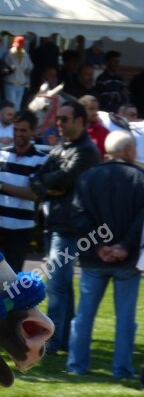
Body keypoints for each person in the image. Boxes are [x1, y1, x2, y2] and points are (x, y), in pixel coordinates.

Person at [67, 131, 144, 378]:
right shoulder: (140, 178)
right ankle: (121, 369)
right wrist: (124, 246)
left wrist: (100, 245)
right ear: (130, 150)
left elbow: (78, 215)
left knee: (83, 316)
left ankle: (76, 365)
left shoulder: (88, 177)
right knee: (125, 319)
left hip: (93, 257)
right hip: (128, 259)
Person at [29, 100, 100, 354]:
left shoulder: (87, 152)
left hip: (70, 227)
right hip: (56, 223)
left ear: (80, 121)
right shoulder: (61, 148)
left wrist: (49, 186)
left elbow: (62, 179)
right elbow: (36, 179)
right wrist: (51, 187)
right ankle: (62, 340)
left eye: (64, 119)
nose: (58, 123)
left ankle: (55, 341)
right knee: (62, 285)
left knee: (56, 285)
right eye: (58, 119)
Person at [0, 109, 48, 273]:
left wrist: (1, 185)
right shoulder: (0, 153)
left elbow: (32, 194)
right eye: (16, 130)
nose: (18, 134)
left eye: (23, 130)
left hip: (21, 227)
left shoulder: (41, 159)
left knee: (12, 276)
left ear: (33, 132)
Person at [2, 36, 33, 112]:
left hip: (21, 84)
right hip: (10, 83)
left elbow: (30, 68)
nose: (18, 47)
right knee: (10, 105)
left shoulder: (26, 55)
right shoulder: (9, 53)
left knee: (17, 107)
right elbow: (3, 66)